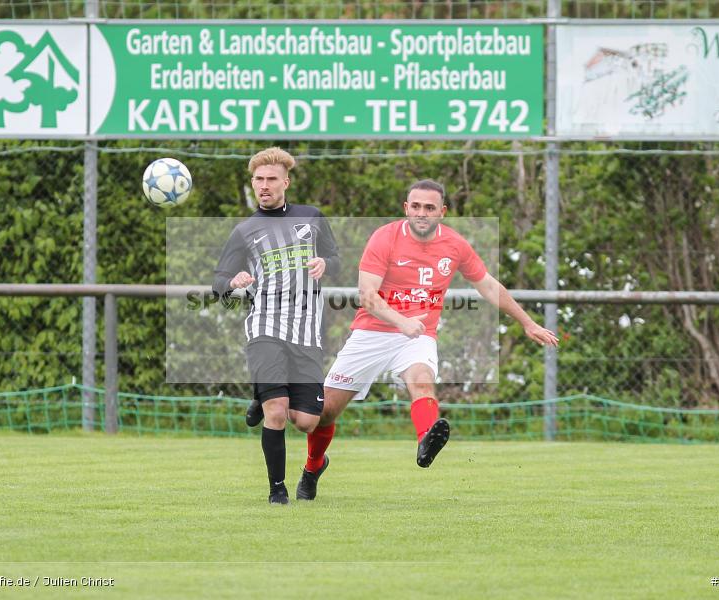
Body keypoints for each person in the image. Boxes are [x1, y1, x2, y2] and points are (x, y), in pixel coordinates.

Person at [295, 179, 558, 501]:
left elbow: (489, 286)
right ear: (406, 208)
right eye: (416, 206)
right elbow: (368, 296)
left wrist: (528, 322)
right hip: (372, 333)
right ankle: (313, 466)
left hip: (417, 334)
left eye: (430, 208)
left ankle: (426, 441)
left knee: (421, 380)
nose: (422, 213)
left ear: (442, 212)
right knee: (321, 415)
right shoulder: (384, 237)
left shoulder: (455, 245)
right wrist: (401, 321)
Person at [212, 147, 340, 505]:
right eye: (258, 180)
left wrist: (325, 264)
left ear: (285, 181)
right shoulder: (244, 231)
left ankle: (260, 393)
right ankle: (277, 490)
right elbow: (217, 282)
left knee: (306, 422)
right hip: (265, 326)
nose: (264, 186)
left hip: (306, 332)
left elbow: (338, 259)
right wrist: (232, 281)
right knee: (277, 412)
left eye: (271, 179)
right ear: (252, 183)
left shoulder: (312, 218)